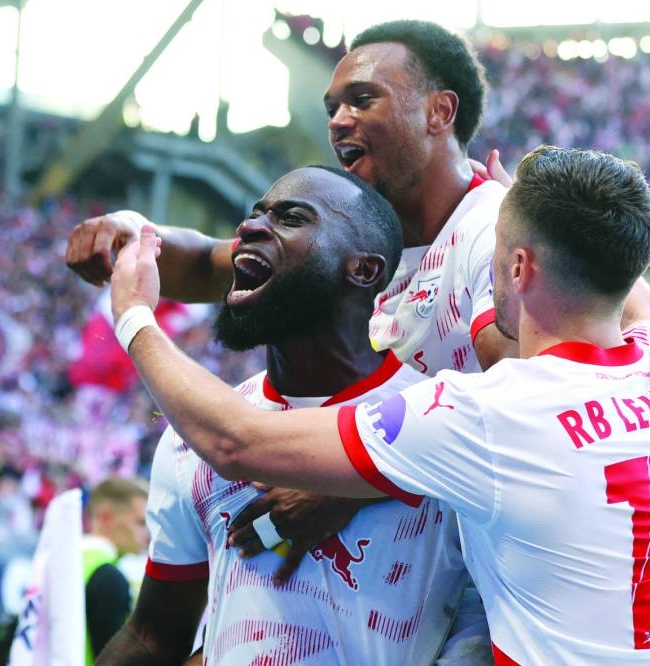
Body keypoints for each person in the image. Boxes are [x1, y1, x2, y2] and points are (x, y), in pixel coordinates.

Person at [107, 146, 650, 664]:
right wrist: (525, 205)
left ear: (517, 267)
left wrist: (135, 314)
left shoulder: (488, 414)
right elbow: (624, 276)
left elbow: (236, 442)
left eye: (489, 249)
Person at [66, 19, 514, 588]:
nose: (338, 121)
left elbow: (533, 406)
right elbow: (207, 263)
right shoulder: (356, 237)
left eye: (363, 99)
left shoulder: (490, 232)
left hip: (476, 594)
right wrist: (132, 230)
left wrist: (351, 482)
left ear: (439, 112)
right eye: (332, 107)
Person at [100, 165, 482, 664]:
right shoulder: (188, 440)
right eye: (255, 213)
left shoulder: (442, 423)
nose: (248, 227)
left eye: (291, 218)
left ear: (364, 271)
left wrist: (134, 315)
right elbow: (153, 634)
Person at [83, 477, 149, 665]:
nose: (147, 533)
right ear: (106, 518)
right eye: (141, 522)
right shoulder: (108, 577)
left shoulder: (61, 560)